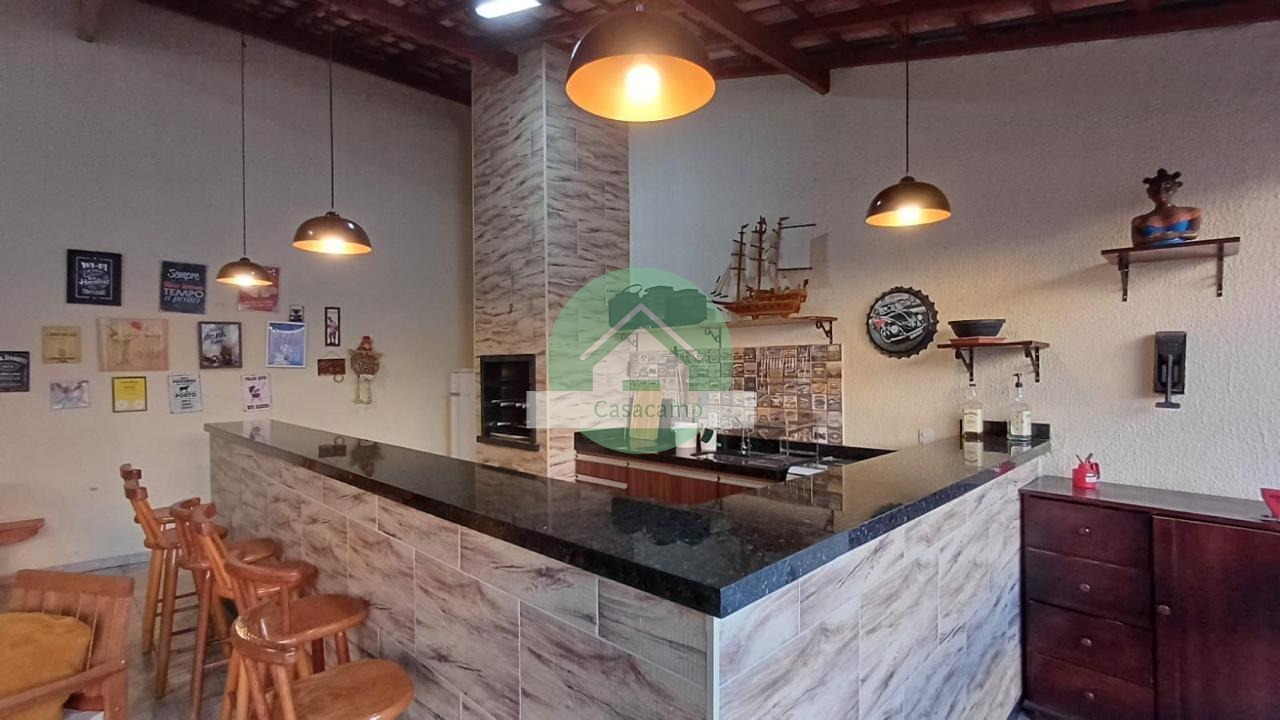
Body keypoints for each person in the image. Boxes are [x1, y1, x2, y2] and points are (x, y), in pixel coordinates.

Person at [1131, 168, 1201, 247]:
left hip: (1182, 253)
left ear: (1175, 188)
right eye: (1155, 188)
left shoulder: (1191, 212)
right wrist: (1157, 238)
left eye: (1167, 187)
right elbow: (1137, 242)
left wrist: (1175, 234)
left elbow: (1194, 233)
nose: (1161, 191)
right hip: (1152, 254)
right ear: (1148, 192)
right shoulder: (1139, 220)